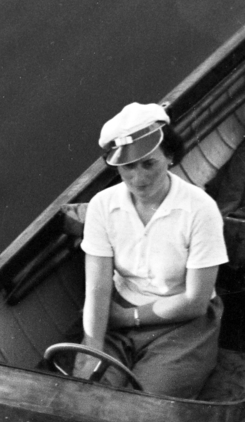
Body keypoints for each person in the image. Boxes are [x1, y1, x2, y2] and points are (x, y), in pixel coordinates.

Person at [75, 102, 228, 398]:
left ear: (170, 157)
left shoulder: (201, 209)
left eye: (149, 163)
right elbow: (97, 291)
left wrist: (128, 318)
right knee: (86, 393)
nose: (138, 178)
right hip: (117, 309)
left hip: (183, 322)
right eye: (128, 166)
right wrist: (91, 346)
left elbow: (196, 301)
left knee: (149, 403)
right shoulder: (102, 206)